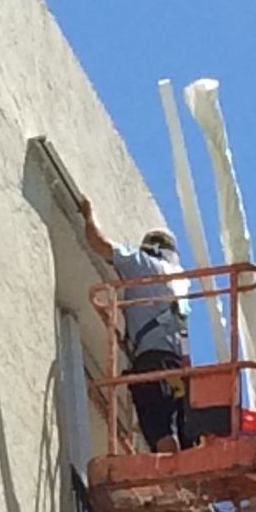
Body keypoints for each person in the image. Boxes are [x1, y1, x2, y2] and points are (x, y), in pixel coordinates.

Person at [76, 195, 190, 454]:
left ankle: (171, 477)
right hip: (177, 368)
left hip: (152, 362)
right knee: (181, 430)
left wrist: (88, 214)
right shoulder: (182, 284)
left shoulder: (144, 263)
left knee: (158, 426)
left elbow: (100, 244)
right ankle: (184, 484)